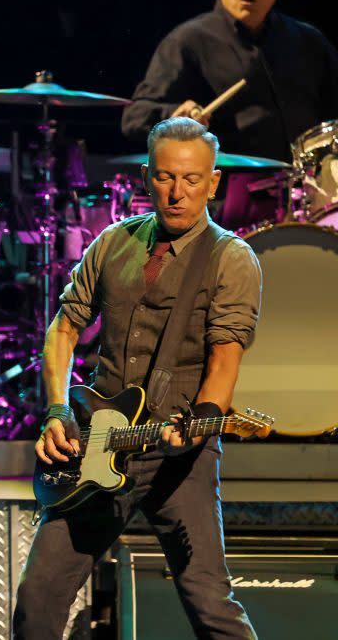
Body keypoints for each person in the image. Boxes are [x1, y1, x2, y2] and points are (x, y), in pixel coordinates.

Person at [13, 118, 262, 639]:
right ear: (147, 177)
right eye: (167, 177)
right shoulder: (112, 242)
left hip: (179, 455)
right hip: (99, 447)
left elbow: (223, 361)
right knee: (37, 601)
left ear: (213, 183)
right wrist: (57, 411)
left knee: (212, 608)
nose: (178, 192)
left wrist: (204, 420)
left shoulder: (231, 259)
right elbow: (63, 329)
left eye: (192, 180)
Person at [121, 0, 338, 163]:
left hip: (309, 192)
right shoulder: (188, 41)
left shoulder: (309, 42)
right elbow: (135, 117)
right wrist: (175, 117)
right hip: (228, 194)